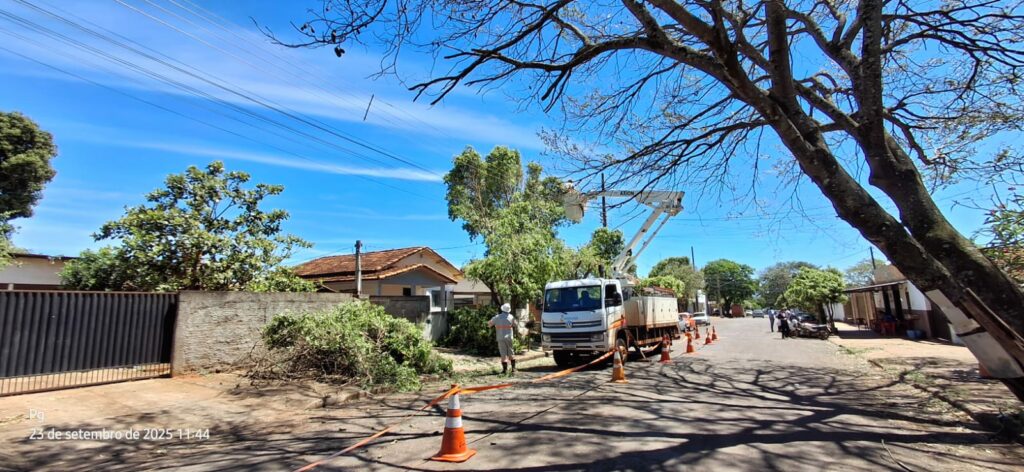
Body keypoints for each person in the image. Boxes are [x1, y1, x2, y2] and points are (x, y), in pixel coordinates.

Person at [488, 303, 517, 375]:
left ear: (502, 309)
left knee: (503, 354)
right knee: (511, 351)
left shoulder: (497, 317)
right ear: (508, 310)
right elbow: (515, 325)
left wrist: (494, 324)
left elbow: (489, 324)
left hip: (500, 337)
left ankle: (505, 370)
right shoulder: (511, 317)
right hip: (509, 337)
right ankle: (513, 369)